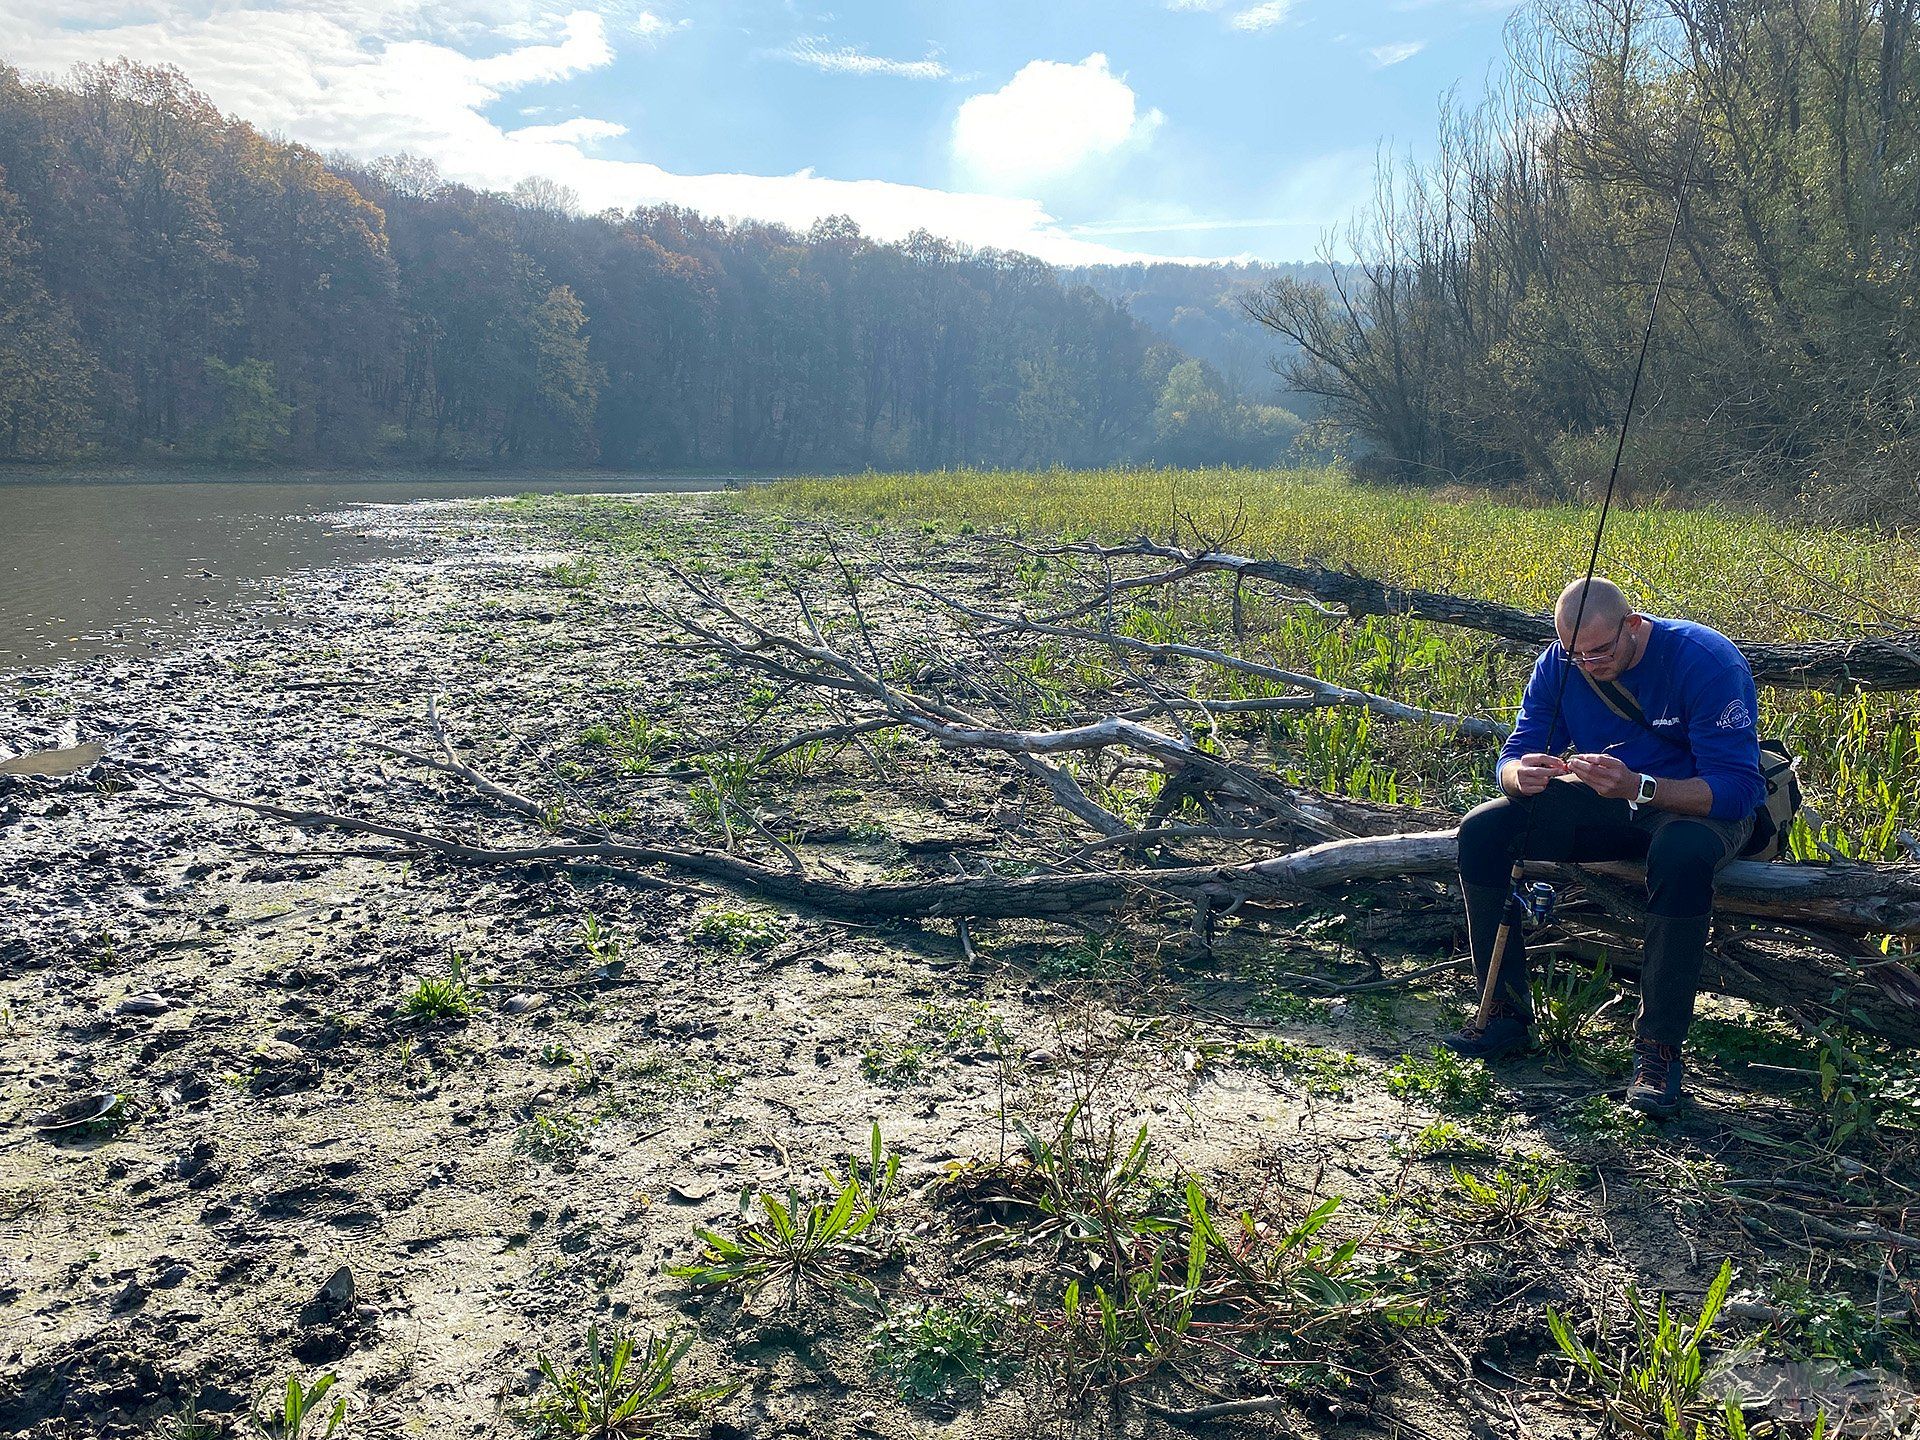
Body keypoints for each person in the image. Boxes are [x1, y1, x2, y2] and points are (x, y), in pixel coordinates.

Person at [1445, 577, 1766, 1117]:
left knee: (1681, 855)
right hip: (1609, 799)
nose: (1588, 665)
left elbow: (1738, 789)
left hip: (1694, 807)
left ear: (1634, 626)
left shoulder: (1707, 661)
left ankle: (1657, 1049)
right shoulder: (1559, 664)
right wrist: (1516, 776)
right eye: (1577, 655)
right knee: (1484, 830)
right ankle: (1503, 1012)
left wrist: (1640, 786)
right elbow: (1516, 751)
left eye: (1600, 652)